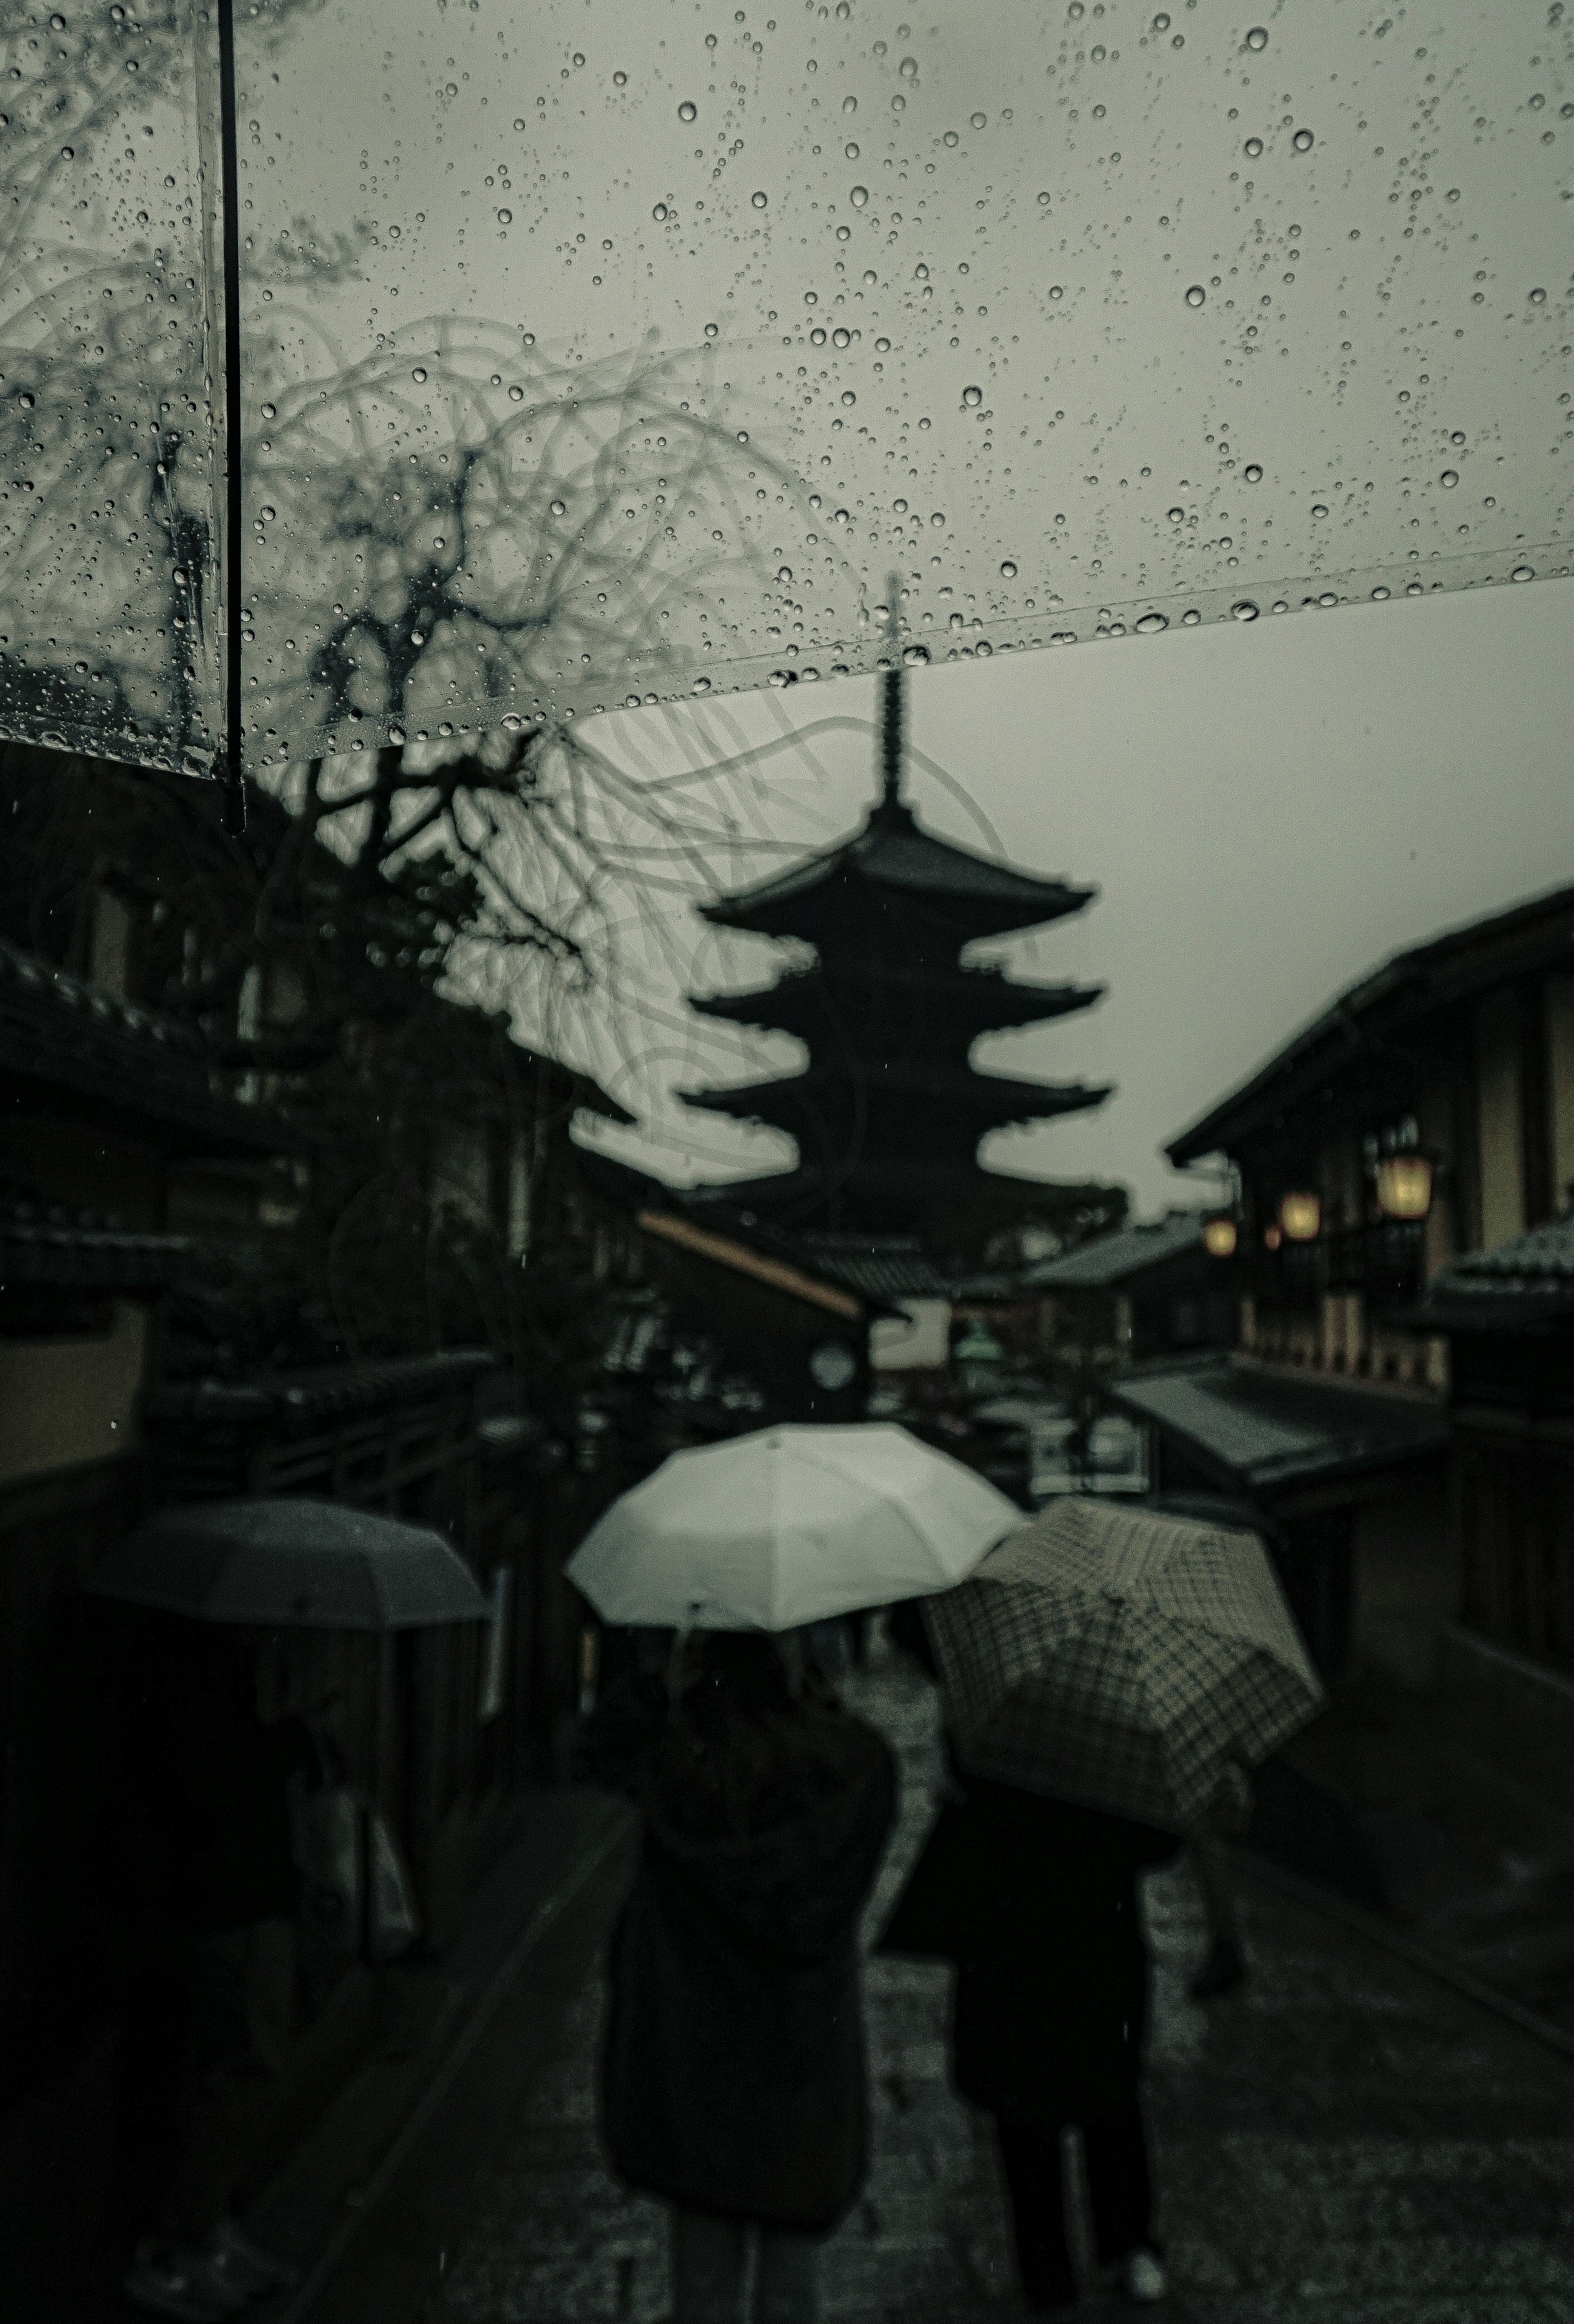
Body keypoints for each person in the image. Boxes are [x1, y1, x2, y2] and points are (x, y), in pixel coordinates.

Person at [580, 1629, 898, 2324]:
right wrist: (821, 1703)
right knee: (791, 2284)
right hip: (800, 2064)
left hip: (698, 2062)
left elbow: (593, 1753)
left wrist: (655, 1692)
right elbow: (875, 1764)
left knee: (703, 2287)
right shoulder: (844, 1774)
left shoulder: (679, 1772)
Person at [880, 1754, 1180, 2317]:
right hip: (1091, 1945)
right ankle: (1123, 2243)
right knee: (1105, 2098)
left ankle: (1050, 2273)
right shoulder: (1117, 1746)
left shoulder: (997, 1741)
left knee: (1031, 2116)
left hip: (1014, 1947)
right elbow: (1159, 1844)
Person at [111, 1619, 313, 2322]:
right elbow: (211, 1789)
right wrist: (289, 1737)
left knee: (237, 2071)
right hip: (232, 1901)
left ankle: (210, 2228)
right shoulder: (192, 1669)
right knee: (248, 2069)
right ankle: (179, 2243)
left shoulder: (220, 1664)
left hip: (245, 1896)